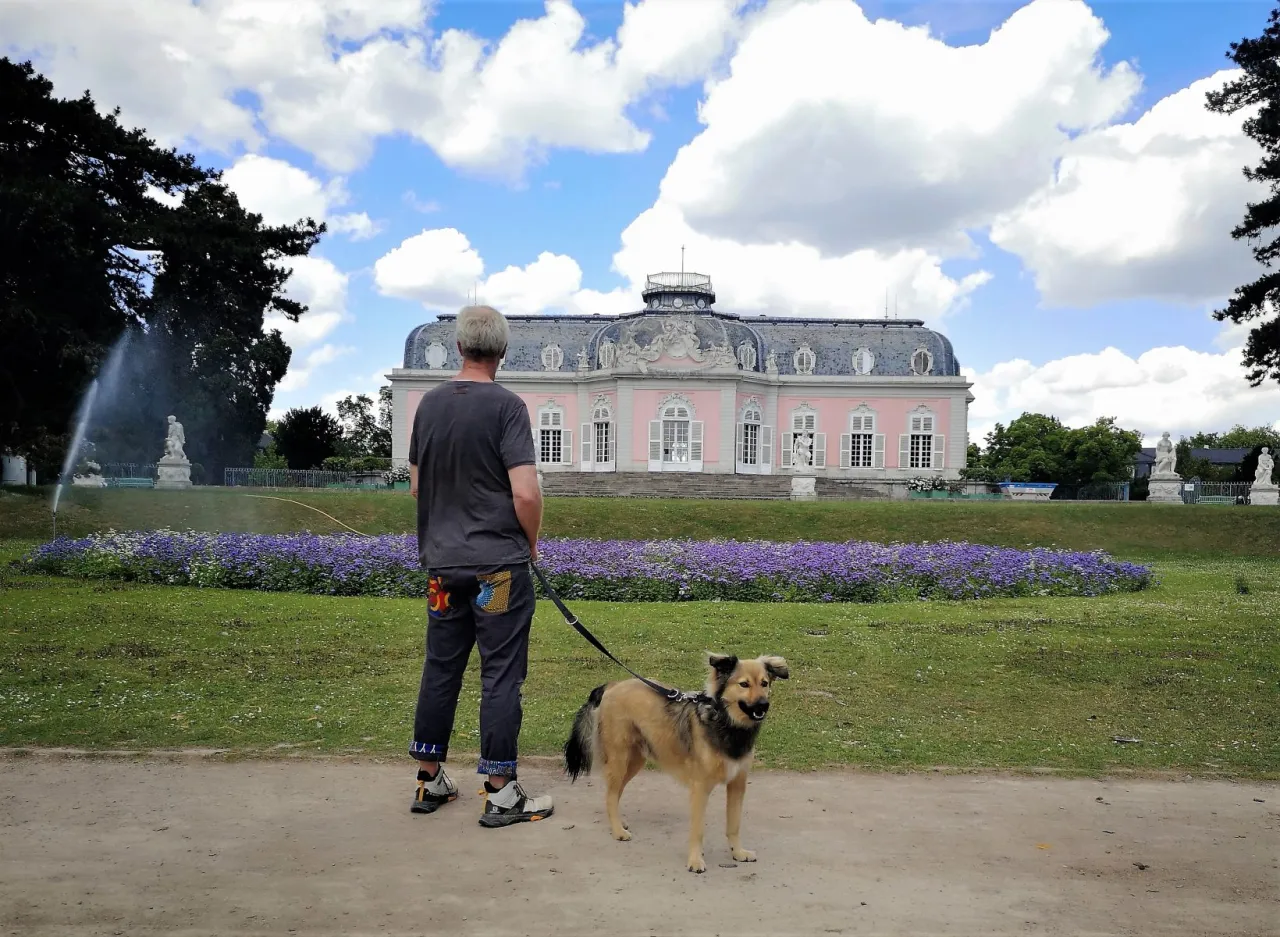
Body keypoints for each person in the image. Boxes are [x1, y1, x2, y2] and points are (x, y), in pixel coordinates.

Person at [406, 304, 553, 827]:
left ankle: (429, 780)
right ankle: (501, 789)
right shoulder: (508, 407)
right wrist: (531, 543)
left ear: (462, 348)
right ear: (503, 352)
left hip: (442, 566)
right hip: (498, 566)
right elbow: (526, 493)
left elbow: (417, 483)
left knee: (441, 667)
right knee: (501, 675)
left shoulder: (428, 406)